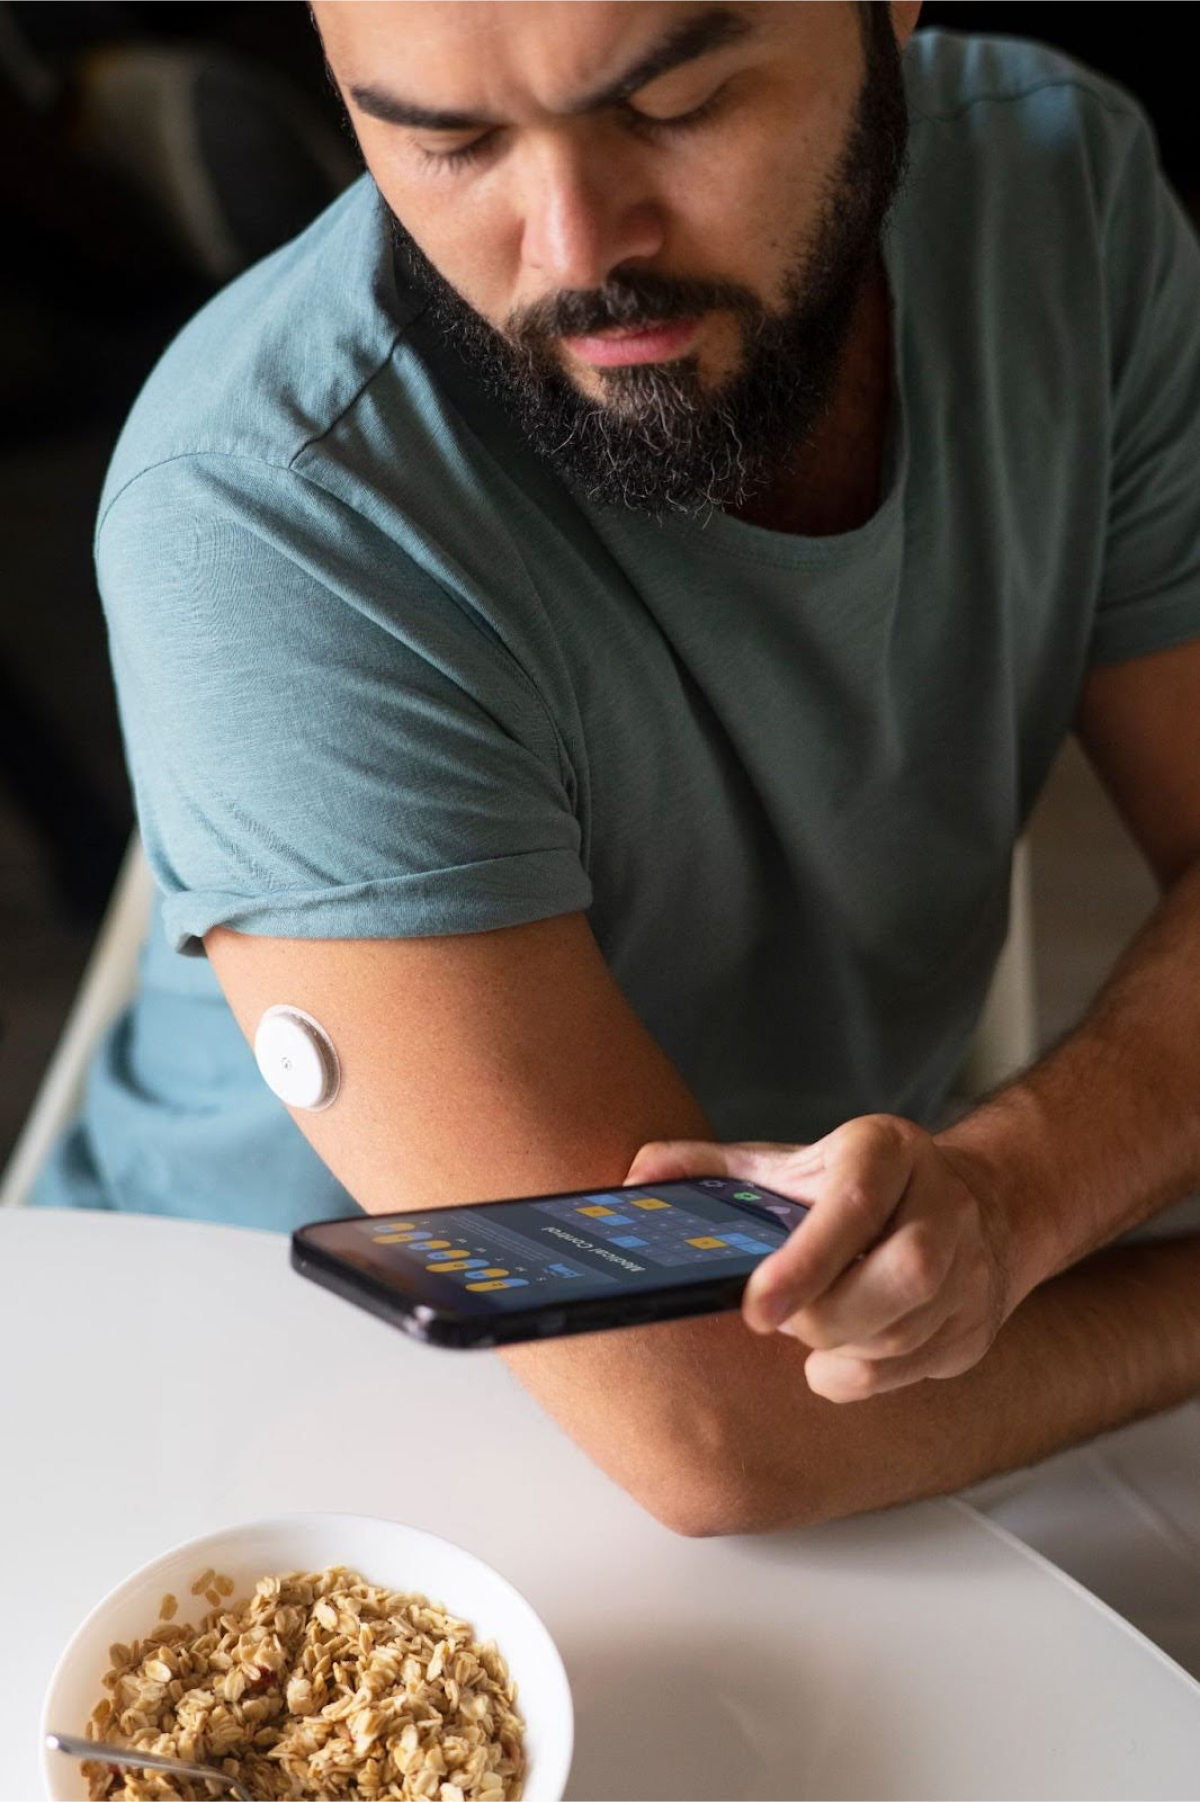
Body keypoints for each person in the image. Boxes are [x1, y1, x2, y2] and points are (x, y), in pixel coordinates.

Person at [35, 0, 1200, 1674]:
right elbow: (715, 1437)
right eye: (447, 142)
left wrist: (1021, 1195)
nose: (578, 250)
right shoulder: (266, 502)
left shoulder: (1055, 187)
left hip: (852, 1334)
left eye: (680, 104)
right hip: (230, 1434)